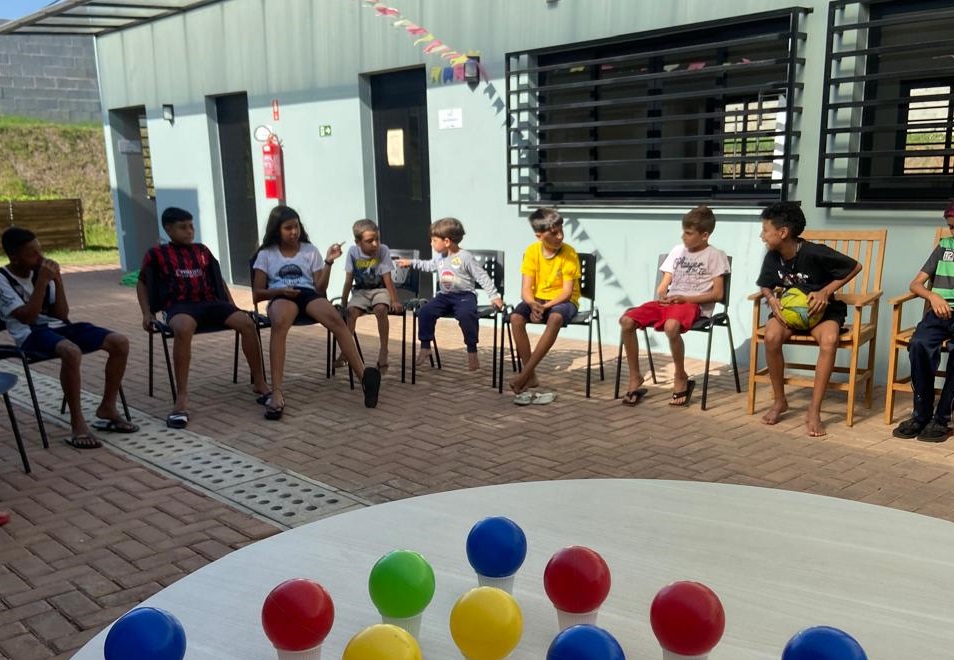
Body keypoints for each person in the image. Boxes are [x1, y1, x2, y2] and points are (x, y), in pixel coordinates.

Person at [0, 227, 138, 448]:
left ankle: (108, 407)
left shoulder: (40, 271)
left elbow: (62, 315)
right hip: (29, 335)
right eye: (32, 254)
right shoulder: (3, 279)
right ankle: (77, 423)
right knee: (71, 351)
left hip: (58, 328)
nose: (40, 258)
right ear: (14, 257)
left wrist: (58, 281)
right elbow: (27, 317)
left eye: (40, 251)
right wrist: (43, 282)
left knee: (119, 342)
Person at [137, 206, 269, 429]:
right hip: (179, 306)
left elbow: (219, 280)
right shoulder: (156, 254)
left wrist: (232, 306)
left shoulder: (202, 251)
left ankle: (260, 382)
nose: (189, 231)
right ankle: (181, 397)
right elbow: (142, 283)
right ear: (168, 229)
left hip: (210, 303)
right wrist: (146, 313)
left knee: (247, 323)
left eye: (191, 226)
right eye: (183, 227)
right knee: (183, 328)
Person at [252, 205, 380, 418]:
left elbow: (320, 289)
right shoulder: (266, 254)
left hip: (308, 293)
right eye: (288, 228)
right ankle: (276, 393)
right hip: (281, 295)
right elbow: (257, 293)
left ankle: (364, 378)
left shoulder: (309, 250)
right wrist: (281, 291)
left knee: (337, 319)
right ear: (277, 230)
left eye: (296, 227)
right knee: (280, 322)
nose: (294, 232)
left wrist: (328, 261)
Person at [756, 201, 861, 437]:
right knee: (771, 337)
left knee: (830, 341)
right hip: (790, 313)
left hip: (822, 313)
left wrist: (825, 291)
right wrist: (771, 298)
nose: (762, 236)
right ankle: (780, 400)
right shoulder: (773, 256)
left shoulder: (814, 252)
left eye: (765, 230)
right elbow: (765, 284)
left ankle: (814, 409)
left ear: (783, 232)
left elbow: (855, 266)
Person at [618, 206, 730, 407]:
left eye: (688, 233)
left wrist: (686, 299)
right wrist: (662, 291)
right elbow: (664, 283)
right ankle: (635, 376)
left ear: (705, 235)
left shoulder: (715, 255)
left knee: (671, 326)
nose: (683, 237)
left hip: (692, 305)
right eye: (683, 232)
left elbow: (718, 294)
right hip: (669, 303)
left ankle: (680, 375)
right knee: (626, 320)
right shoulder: (677, 251)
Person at [396, 218, 503, 371]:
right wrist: (411, 262)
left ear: (446, 241)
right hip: (444, 296)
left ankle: (472, 351)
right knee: (425, 312)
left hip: (464, 296)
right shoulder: (440, 257)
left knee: (466, 315)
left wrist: (494, 296)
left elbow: (482, 276)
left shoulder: (465, 257)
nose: (431, 243)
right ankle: (425, 347)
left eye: (434, 240)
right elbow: (428, 265)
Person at [892, 200, 954, 442]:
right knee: (918, 344)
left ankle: (942, 418)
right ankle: (921, 415)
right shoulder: (944, 246)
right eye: (951, 227)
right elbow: (915, 284)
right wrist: (933, 296)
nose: (953, 232)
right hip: (938, 313)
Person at [506, 208, 580, 404]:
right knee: (515, 318)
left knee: (555, 318)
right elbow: (525, 289)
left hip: (563, 302)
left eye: (561, 230)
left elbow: (566, 292)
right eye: (554, 233)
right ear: (539, 236)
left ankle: (525, 374)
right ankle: (531, 376)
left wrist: (545, 308)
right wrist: (532, 304)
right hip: (537, 300)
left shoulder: (569, 253)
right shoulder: (532, 251)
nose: (560, 236)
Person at [339, 219, 403, 373]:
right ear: (358, 242)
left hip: (380, 290)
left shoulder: (383, 250)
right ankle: (346, 351)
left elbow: (387, 278)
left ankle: (384, 351)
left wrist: (394, 300)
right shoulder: (353, 252)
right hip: (360, 291)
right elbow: (348, 279)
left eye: (377, 239)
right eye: (369, 241)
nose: (375, 244)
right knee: (351, 312)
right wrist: (343, 302)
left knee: (381, 309)